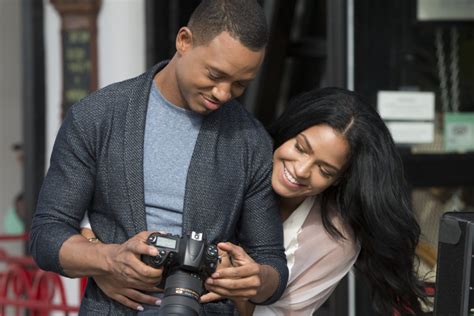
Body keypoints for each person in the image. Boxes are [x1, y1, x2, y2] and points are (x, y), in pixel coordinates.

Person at [29, 0, 288, 314]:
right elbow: (47, 234)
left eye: (239, 85)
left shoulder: (250, 142)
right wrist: (109, 259)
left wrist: (255, 279)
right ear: (184, 41)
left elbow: (272, 263)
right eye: (215, 75)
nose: (223, 93)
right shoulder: (98, 117)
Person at [82, 87, 428, 315]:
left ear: (340, 180)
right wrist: (104, 265)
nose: (301, 170)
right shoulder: (232, 156)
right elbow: (105, 216)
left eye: (324, 169)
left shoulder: (333, 240)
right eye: (300, 147)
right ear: (289, 130)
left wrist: (244, 288)